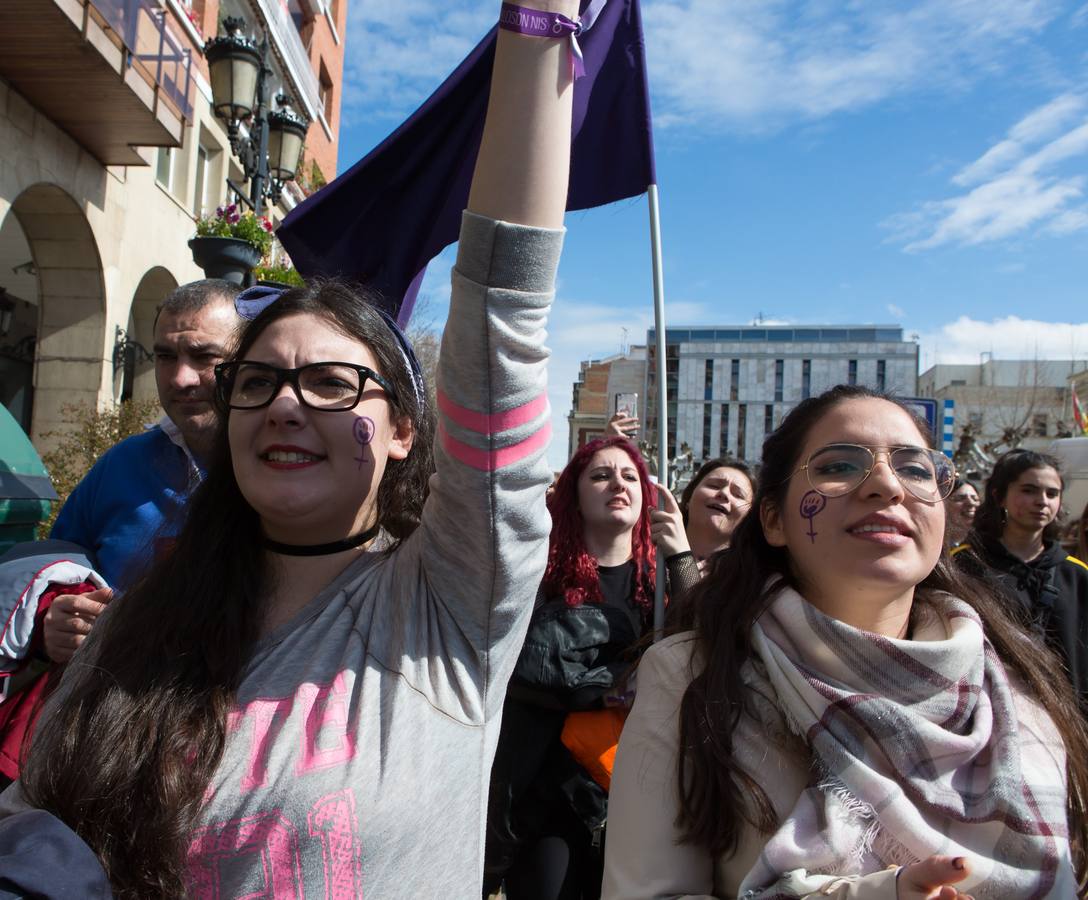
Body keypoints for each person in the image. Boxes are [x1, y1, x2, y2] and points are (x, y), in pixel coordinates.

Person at [3, 6, 574, 896]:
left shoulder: (447, 608)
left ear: (402, 431)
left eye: (332, 384)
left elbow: (503, 305)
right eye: (259, 381)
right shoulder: (141, 624)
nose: (285, 406)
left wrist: (539, 23)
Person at [603, 385, 1088, 899]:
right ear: (774, 520)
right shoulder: (690, 674)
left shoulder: (1017, 695)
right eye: (839, 466)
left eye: (915, 469)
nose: (887, 485)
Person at [484, 437, 699, 900]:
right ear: (575, 497)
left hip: (636, 795)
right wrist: (613, 686)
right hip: (548, 797)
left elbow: (705, 651)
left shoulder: (660, 584)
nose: (618, 484)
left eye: (630, 476)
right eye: (601, 475)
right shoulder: (538, 574)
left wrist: (681, 556)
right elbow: (517, 665)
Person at [43, 278, 241, 663]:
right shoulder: (121, 464)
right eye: (165, 356)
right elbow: (55, 569)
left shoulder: (286, 472)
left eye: (204, 356)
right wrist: (53, 621)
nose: (180, 378)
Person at [952, 450, 1088, 710]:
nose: (1042, 501)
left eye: (1052, 493)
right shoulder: (964, 566)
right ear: (999, 495)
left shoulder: (1076, 575)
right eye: (1029, 490)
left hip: (1064, 718)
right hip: (985, 714)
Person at [677, 458, 754, 563]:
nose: (724, 493)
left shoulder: (755, 572)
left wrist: (679, 557)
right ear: (689, 499)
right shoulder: (655, 549)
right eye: (714, 486)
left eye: (738, 494)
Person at [944, 478, 980, 546]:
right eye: (960, 498)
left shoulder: (988, 544)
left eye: (975, 499)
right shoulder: (932, 543)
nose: (971, 503)